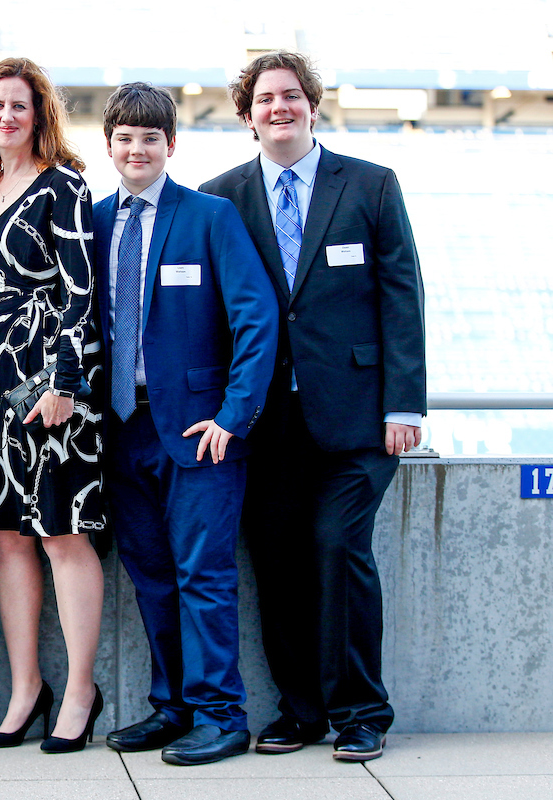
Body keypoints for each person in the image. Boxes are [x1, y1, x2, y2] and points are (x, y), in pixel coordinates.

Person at [200, 51, 426, 762]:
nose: (279, 108)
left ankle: (362, 711)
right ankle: (300, 711)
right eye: (265, 99)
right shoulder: (221, 197)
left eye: (291, 96)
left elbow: (402, 298)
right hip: (267, 420)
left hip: (358, 416)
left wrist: (406, 407)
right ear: (247, 115)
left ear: (313, 105)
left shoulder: (370, 186)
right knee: (276, 560)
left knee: (337, 546)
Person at [92, 83, 278, 765]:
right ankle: (171, 708)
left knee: (203, 573)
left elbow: (257, 321)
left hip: (201, 431)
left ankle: (221, 715)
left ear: (171, 145)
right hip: (120, 429)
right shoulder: (93, 220)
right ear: (108, 145)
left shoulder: (209, 217)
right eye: (125, 138)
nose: (137, 149)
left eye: (150, 138)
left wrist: (233, 415)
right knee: (150, 574)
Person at [0, 57, 106, 755]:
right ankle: (26, 689)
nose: (6, 118)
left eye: (19, 106)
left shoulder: (64, 187)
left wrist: (67, 383)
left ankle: (79, 690)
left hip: (51, 384)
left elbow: (82, 294)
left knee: (61, 531)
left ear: (40, 113)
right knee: (7, 537)